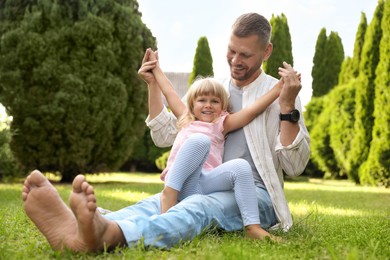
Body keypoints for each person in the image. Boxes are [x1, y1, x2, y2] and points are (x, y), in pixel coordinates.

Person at [22, 12, 310, 252]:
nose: (235, 60)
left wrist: (286, 105)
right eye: (231, 50)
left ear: (267, 51)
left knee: (198, 206)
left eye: (245, 55)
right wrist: (153, 83)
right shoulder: (215, 92)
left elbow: (294, 167)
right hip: (206, 182)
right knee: (159, 201)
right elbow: (167, 135)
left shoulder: (282, 94)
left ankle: (110, 235)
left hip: (257, 196)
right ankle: (81, 227)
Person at [146, 49, 293, 241]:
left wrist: (278, 88)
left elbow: (251, 110)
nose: (208, 105)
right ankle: (169, 196)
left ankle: (253, 228)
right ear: (192, 104)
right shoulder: (186, 118)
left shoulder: (222, 124)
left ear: (223, 106)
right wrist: (155, 68)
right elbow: (169, 91)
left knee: (241, 166)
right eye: (202, 100)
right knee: (199, 141)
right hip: (182, 182)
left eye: (215, 101)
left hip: (204, 184)